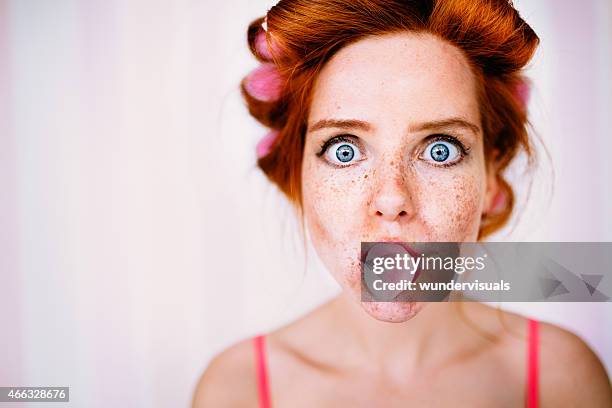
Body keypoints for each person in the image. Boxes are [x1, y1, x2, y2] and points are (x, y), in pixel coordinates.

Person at [193, 0, 612, 406]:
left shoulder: (563, 377)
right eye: (343, 149)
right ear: (298, 174)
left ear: (489, 179)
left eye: (441, 149)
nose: (393, 199)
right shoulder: (237, 390)